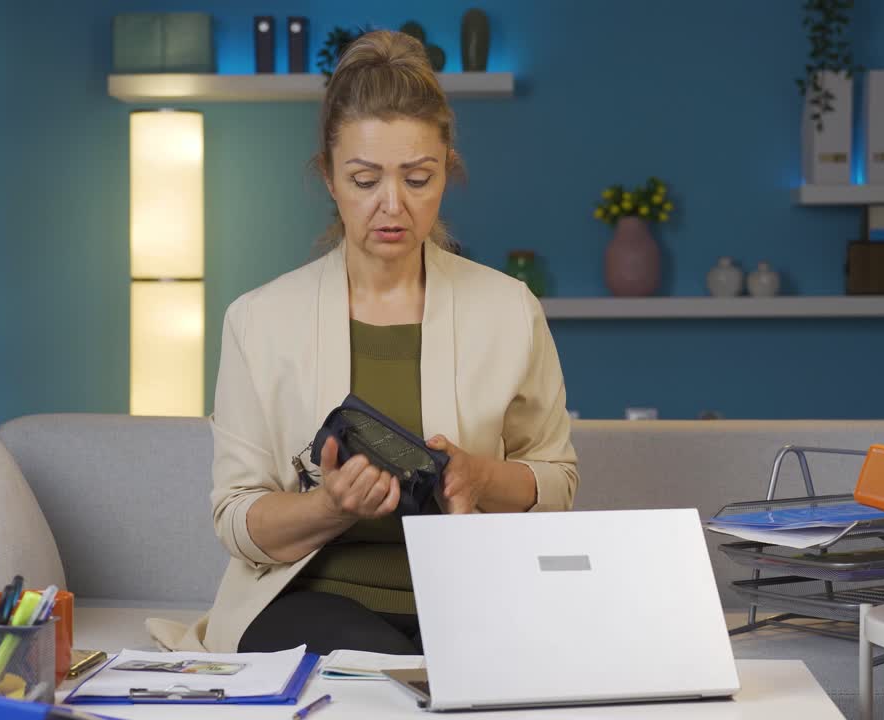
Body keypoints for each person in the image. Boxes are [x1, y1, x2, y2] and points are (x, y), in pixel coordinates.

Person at [149, 30, 578, 656]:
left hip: (469, 594)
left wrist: (479, 476)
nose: (392, 206)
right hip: (310, 605)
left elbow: (556, 480)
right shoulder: (258, 321)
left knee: (508, 658)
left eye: (418, 178)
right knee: (386, 668)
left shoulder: (509, 308)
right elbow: (238, 522)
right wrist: (332, 505)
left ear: (447, 170)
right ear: (328, 176)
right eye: (364, 179)